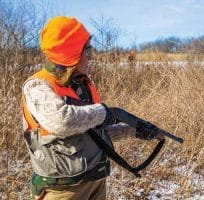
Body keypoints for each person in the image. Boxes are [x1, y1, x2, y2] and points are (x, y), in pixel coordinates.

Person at [21, 16, 155, 200]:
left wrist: (135, 130)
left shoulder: (81, 85)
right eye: (87, 49)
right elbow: (62, 121)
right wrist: (105, 112)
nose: (92, 55)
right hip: (63, 191)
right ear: (71, 53)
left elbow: (94, 132)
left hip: (96, 182)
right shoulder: (38, 86)